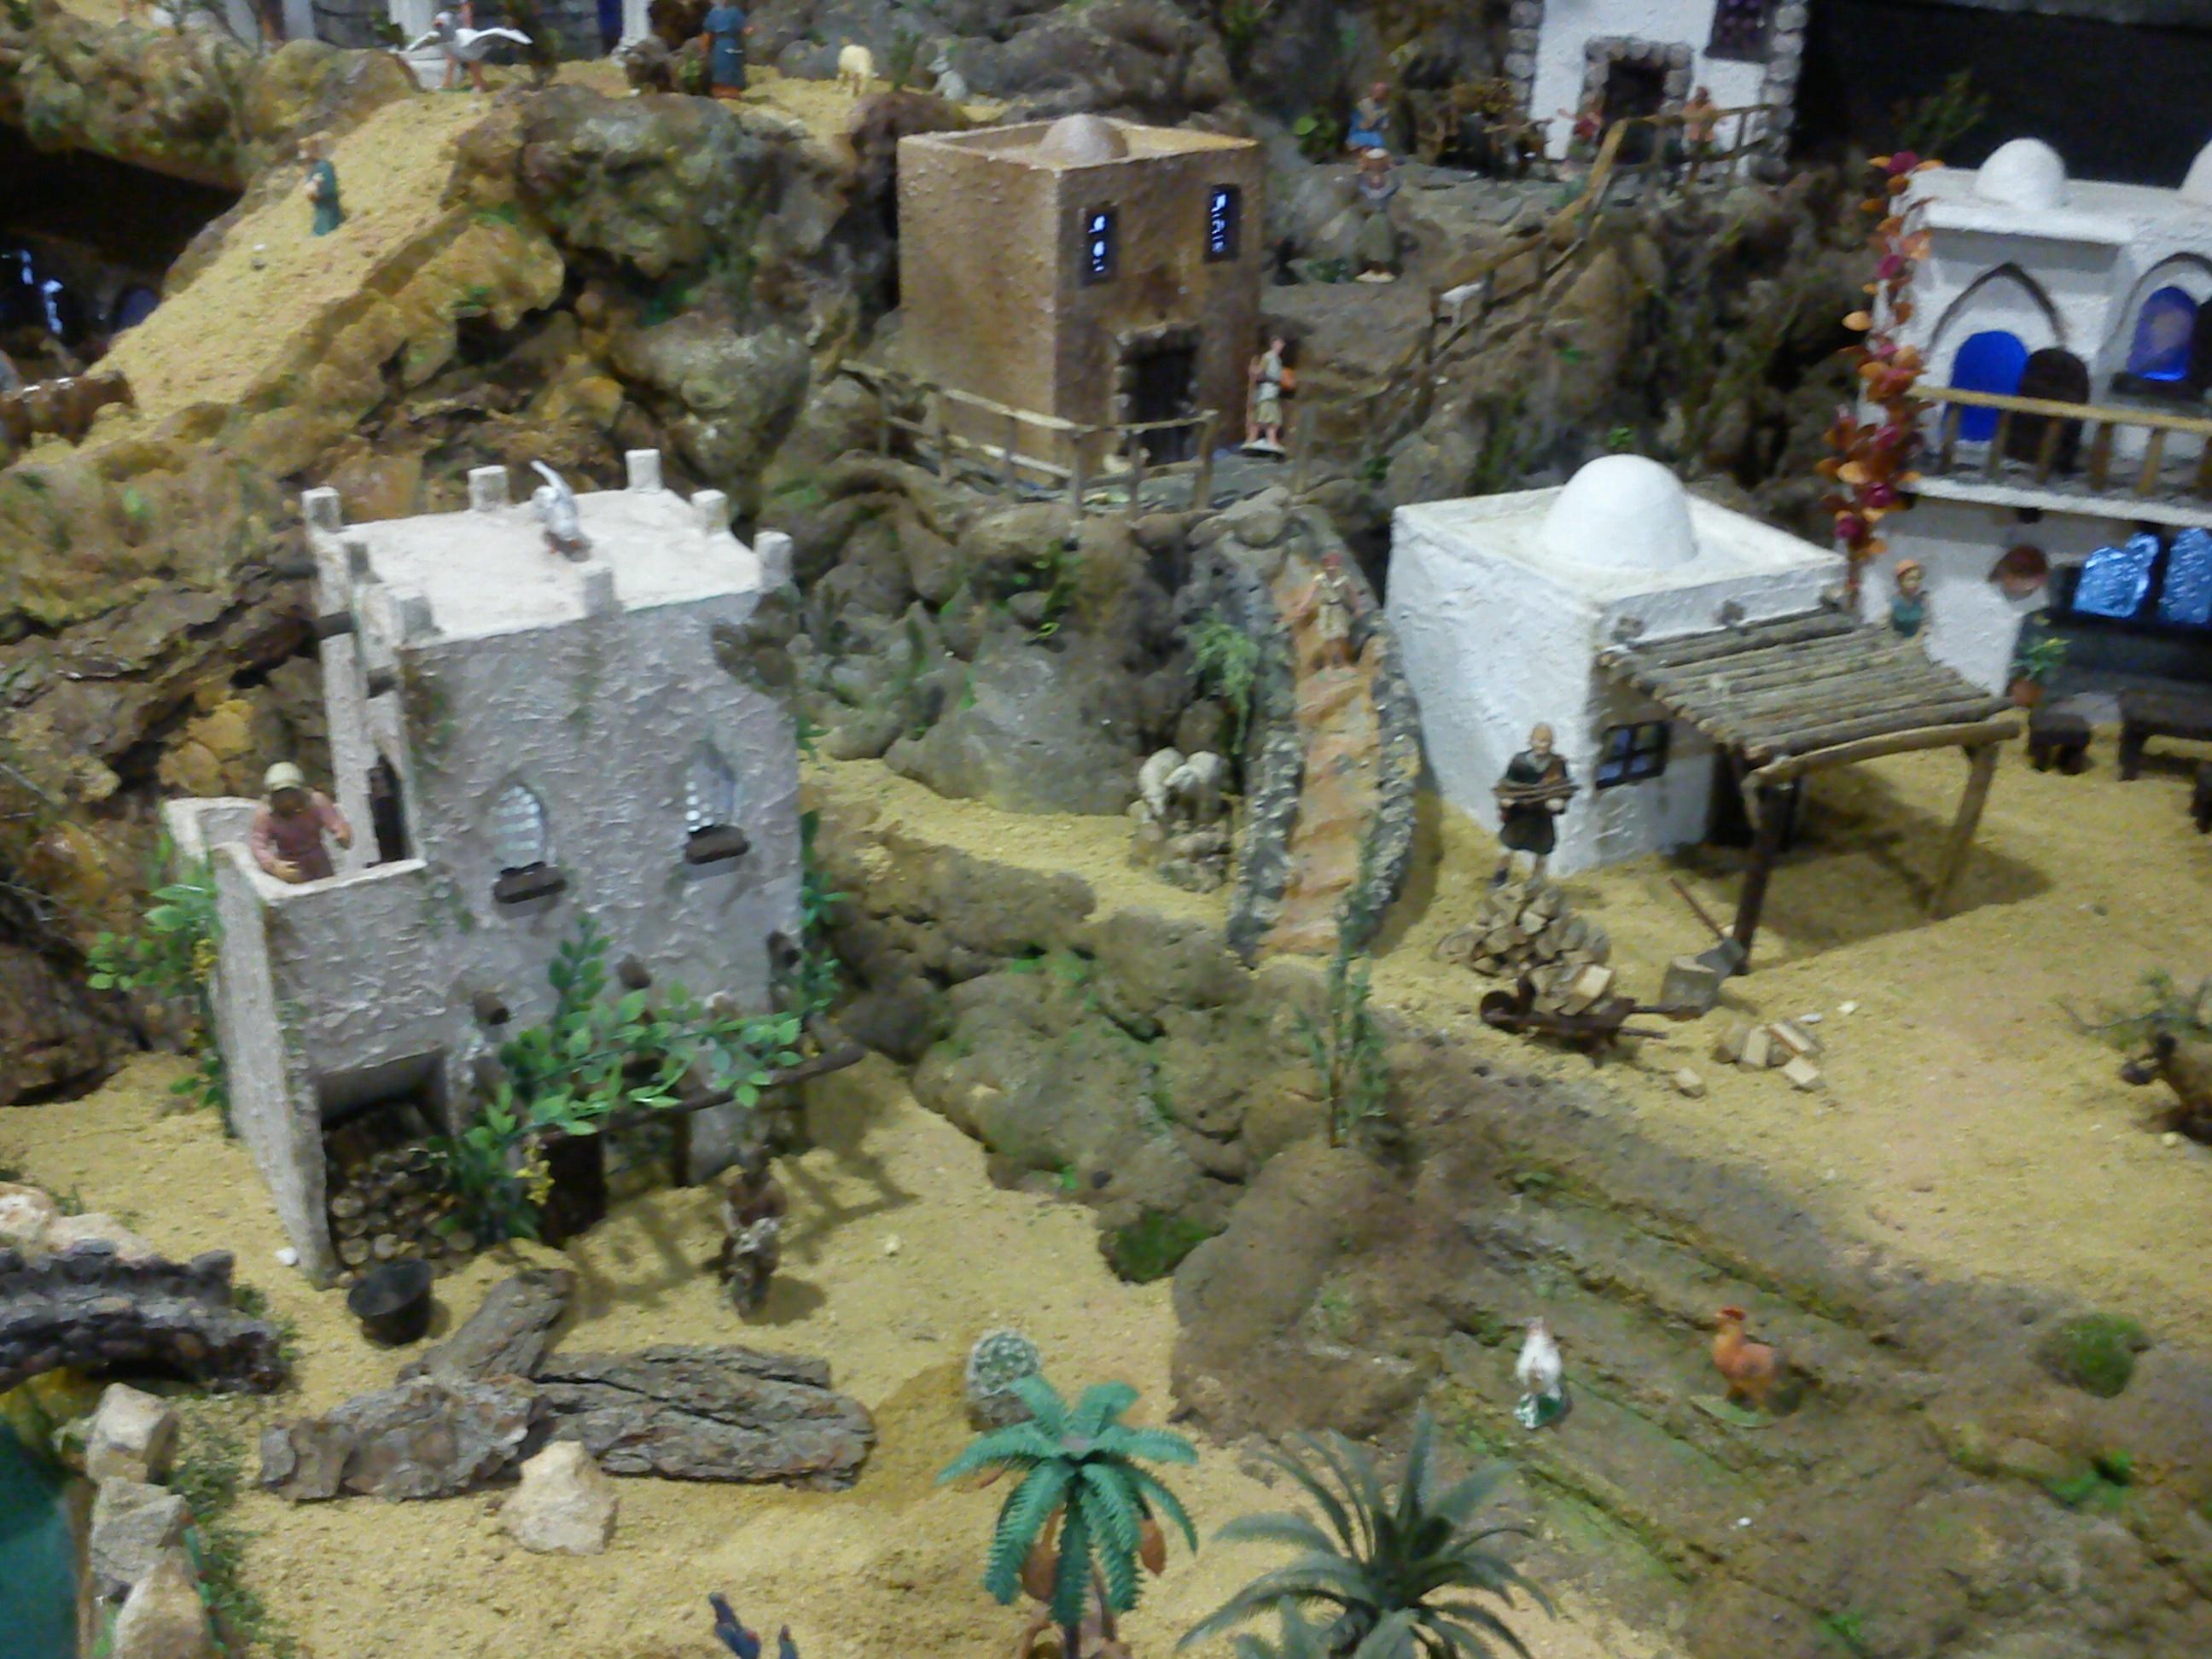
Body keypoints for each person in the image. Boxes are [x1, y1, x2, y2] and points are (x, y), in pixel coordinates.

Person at [1492, 724, 1574, 886]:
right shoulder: (1519, 761)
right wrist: (1506, 800)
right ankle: (1500, 877)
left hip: (1542, 817)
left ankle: (1536, 882)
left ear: (1552, 743)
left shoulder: (1557, 763)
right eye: (1538, 741)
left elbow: (1563, 788)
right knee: (1507, 848)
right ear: (1530, 741)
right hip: (1519, 815)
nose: (1541, 745)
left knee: (1543, 852)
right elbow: (1506, 785)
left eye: (1546, 741)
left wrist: (1559, 802)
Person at [249, 763, 352, 885]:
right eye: (280, 795)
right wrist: (273, 865)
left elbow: (334, 821)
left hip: (317, 857)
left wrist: (342, 833)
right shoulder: (266, 815)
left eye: (291, 793)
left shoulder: (316, 803)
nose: (287, 799)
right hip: (290, 862)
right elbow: (258, 844)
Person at [1353, 148, 1400, 282]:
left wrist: (1392, 168)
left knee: (1383, 243)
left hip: (1382, 217)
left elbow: (1394, 185)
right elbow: (1360, 185)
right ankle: (1372, 269)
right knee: (1369, 243)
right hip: (1371, 218)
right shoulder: (1366, 185)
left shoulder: (1388, 184)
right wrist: (1360, 170)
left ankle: (1384, 270)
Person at [1245, 335, 1288, 453]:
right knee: (1265, 418)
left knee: (1271, 419)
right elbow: (1261, 371)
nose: (1281, 346)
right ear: (1273, 344)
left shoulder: (1276, 359)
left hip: (1272, 393)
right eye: (1279, 344)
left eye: (1282, 344)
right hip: (1267, 393)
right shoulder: (1268, 357)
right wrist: (1254, 371)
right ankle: (1255, 440)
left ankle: (1269, 440)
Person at [700, 3, 750, 98]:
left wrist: (704, 49)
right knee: (728, 68)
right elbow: (746, 30)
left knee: (723, 68)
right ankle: (729, 90)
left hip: (722, 44)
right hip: (731, 44)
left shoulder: (715, 13)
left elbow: (707, 35)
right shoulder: (735, 12)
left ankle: (725, 91)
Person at [301, 138, 344, 238]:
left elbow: (330, 190)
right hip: (320, 211)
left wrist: (317, 190)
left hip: (329, 210)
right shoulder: (312, 170)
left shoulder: (324, 166)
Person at [1346, 80, 1392, 155]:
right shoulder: (1363, 105)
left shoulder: (1384, 109)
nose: (1379, 93)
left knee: (1378, 141)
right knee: (1373, 140)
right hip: (1359, 134)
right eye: (1377, 90)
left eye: (1382, 91)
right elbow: (1356, 121)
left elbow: (1384, 123)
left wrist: (1385, 124)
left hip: (1374, 134)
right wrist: (1362, 124)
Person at [1889, 559, 1929, 638]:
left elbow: (1927, 623)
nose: (1916, 583)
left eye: (1918, 579)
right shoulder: (1893, 603)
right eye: (1911, 579)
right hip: (1897, 642)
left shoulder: (1922, 601)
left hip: (1919, 641)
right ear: (1900, 581)